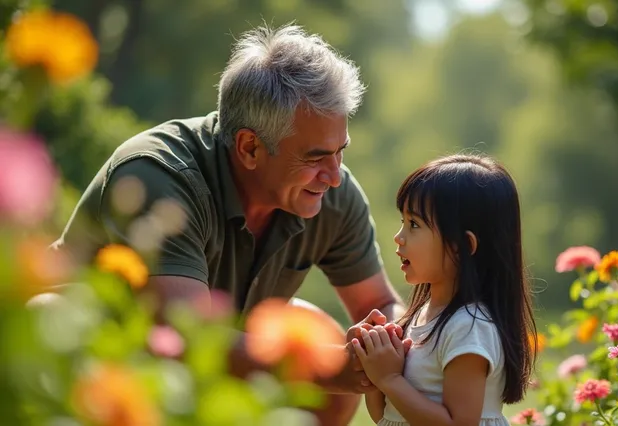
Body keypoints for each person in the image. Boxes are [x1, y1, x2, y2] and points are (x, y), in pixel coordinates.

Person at [52, 23, 405, 426]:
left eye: (341, 151)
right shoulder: (160, 177)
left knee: (316, 332)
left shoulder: (332, 196)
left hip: (203, 361)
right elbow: (185, 335)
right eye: (315, 157)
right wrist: (332, 367)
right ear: (250, 147)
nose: (335, 175)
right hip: (106, 360)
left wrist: (388, 340)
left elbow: (377, 302)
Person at [350, 154, 538, 426]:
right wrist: (374, 362)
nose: (399, 236)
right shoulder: (420, 319)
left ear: (460, 247)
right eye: (402, 221)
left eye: (414, 224)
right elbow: (389, 416)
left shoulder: (469, 327)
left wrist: (390, 379)